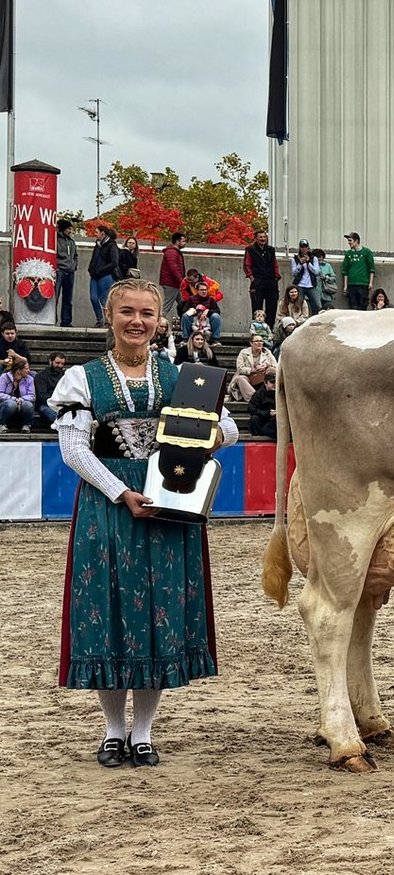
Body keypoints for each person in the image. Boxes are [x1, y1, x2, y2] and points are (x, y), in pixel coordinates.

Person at [47, 279, 237, 767]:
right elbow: (73, 450)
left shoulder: (182, 377)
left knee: (159, 614)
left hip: (168, 502)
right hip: (109, 505)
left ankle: (144, 732)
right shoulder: (83, 378)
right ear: (109, 317)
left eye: (147, 313)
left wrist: (201, 442)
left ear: (159, 321)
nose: (137, 321)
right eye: (127, 312)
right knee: (109, 612)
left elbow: (230, 428)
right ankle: (114, 730)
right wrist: (120, 491)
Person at [243, 230, 281, 319]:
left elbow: (275, 263)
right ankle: (257, 325)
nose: (262, 239)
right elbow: (246, 265)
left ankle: (269, 326)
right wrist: (252, 278)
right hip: (258, 281)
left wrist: (277, 277)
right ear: (256, 238)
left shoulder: (271, 250)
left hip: (271, 281)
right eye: (260, 237)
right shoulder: (250, 249)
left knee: (272, 307)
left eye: (264, 237)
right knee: (257, 307)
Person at [229, 335, 278, 402]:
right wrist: (253, 370)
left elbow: (275, 365)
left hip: (262, 377)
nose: (259, 343)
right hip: (248, 377)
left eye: (261, 341)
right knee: (240, 378)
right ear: (251, 343)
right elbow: (240, 368)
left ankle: (272, 393)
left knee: (272, 370)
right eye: (257, 341)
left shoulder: (267, 352)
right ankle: (255, 398)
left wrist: (266, 365)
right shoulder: (243, 352)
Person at [87, 225, 120, 326]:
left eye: (96, 232)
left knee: (103, 299)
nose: (95, 234)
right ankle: (99, 319)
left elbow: (114, 262)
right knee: (93, 298)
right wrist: (91, 268)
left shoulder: (112, 245)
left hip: (106, 275)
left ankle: (107, 320)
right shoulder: (97, 245)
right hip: (94, 275)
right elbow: (94, 258)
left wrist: (102, 269)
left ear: (103, 233)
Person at [0, 356, 35, 433]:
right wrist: (12, 399)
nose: (29, 371)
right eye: (26, 369)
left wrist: (21, 399)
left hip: (22, 402)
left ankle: (26, 425)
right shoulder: (4, 377)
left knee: (28, 405)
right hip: (6, 402)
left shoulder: (30, 379)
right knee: (11, 404)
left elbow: (32, 396)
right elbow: (0, 393)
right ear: (19, 370)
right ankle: (1, 424)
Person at [340, 232, 375, 310]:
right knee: (353, 306)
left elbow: (371, 268)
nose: (349, 243)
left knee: (362, 305)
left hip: (363, 283)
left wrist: (370, 282)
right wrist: (345, 286)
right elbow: (345, 271)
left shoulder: (366, 252)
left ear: (356, 241)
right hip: (351, 284)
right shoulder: (348, 254)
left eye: (350, 240)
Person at [157, 232, 187, 320]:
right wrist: (181, 281)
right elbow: (173, 268)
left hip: (176, 284)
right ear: (177, 241)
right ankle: (158, 322)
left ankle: (185, 322)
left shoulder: (174, 252)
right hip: (171, 283)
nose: (185, 243)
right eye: (183, 241)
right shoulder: (171, 252)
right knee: (167, 306)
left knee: (184, 304)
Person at [33, 352, 67, 431]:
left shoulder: (65, 376)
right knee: (47, 411)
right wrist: (56, 402)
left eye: (62, 364)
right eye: (57, 363)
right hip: (46, 404)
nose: (60, 366)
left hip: (62, 404)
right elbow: (42, 396)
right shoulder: (41, 375)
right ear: (50, 361)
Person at [56, 220, 79, 327]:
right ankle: (52, 319)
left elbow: (75, 256)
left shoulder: (72, 242)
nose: (70, 231)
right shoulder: (55, 240)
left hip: (70, 272)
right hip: (59, 271)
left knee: (68, 299)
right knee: (55, 297)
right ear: (63, 228)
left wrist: (74, 265)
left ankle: (66, 321)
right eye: (68, 229)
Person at [290, 240, 323, 315]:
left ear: (308, 247)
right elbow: (294, 273)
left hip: (311, 285)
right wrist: (300, 264)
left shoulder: (314, 258)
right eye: (302, 247)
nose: (304, 248)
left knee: (317, 305)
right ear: (299, 248)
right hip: (300, 285)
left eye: (305, 246)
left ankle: (315, 319)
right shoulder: (294, 259)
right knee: (298, 305)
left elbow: (316, 272)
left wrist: (308, 263)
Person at [247, 372, 278, 440]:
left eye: (276, 382)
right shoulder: (258, 394)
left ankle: (264, 432)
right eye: (272, 382)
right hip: (263, 419)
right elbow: (251, 408)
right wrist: (267, 413)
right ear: (265, 383)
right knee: (254, 419)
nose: (275, 384)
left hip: (275, 420)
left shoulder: (281, 393)